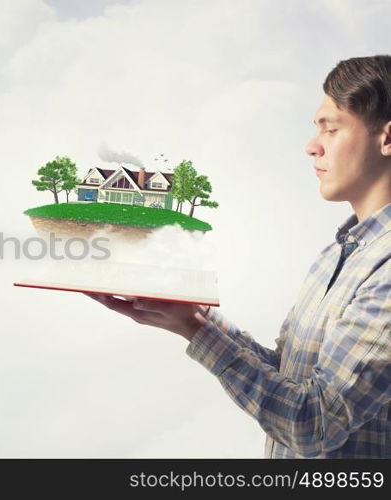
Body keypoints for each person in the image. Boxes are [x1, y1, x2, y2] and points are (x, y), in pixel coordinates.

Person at [86, 55, 391, 458]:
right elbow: (288, 378)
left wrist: (200, 334)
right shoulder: (337, 254)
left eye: (331, 129)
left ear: (387, 139)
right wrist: (194, 317)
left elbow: (315, 423)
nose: (311, 146)